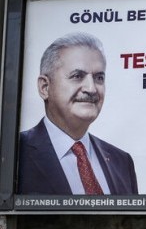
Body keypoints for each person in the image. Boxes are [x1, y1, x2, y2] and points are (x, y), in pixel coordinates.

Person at [17, 32, 138, 195]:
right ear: (45, 87)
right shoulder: (15, 154)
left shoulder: (122, 162)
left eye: (99, 78)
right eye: (77, 76)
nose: (91, 88)